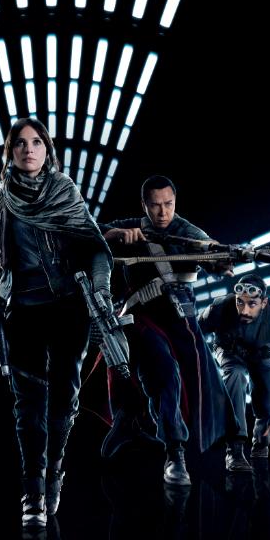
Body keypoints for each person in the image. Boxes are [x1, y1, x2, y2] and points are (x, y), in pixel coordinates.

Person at [0, 117, 113, 529]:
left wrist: (100, 291)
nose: (29, 149)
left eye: (36, 142)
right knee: (28, 404)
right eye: (21, 143)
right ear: (10, 152)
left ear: (47, 149)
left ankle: (54, 470)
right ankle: (32, 489)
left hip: (67, 307)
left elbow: (96, 247)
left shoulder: (64, 191)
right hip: (20, 310)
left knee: (64, 398)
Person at [101, 175, 237, 486]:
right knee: (163, 372)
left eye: (169, 204)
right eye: (155, 205)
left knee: (204, 379)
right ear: (144, 205)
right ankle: (174, 452)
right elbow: (90, 231)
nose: (163, 212)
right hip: (141, 319)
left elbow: (208, 249)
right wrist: (117, 234)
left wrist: (221, 259)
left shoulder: (185, 231)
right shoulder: (132, 226)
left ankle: (233, 446)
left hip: (180, 320)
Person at [199, 274, 270, 470]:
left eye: (252, 304)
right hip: (230, 353)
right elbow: (192, 332)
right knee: (236, 376)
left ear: (264, 303)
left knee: (269, 401)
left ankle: (260, 444)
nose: (244, 310)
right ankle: (235, 449)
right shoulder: (220, 307)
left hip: (263, 357)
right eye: (240, 302)